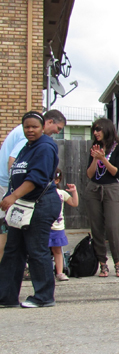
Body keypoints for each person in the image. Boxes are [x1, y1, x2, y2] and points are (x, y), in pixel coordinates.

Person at [0, 112, 62, 307]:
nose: (30, 130)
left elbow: (37, 179)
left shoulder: (44, 147)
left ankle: (44, 297)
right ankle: (6, 296)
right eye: (27, 127)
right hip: (23, 206)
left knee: (36, 250)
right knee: (13, 250)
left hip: (41, 204)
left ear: (42, 126)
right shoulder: (27, 147)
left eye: (34, 127)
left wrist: (13, 196)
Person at [85, 118, 119, 278]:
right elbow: (90, 174)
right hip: (94, 189)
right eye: (94, 130)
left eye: (98, 129)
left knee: (113, 227)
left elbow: (117, 172)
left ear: (107, 129)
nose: (96, 133)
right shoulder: (94, 148)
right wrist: (96, 159)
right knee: (96, 228)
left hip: (111, 189)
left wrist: (104, 158)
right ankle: (102, 264)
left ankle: (118, 262)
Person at [50, 169, 79, 281]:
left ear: (57, 181)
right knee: (42, 251)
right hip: (44, 226)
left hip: (57, 227)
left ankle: (59, 272)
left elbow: (74, 203)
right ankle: (46, 272)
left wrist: (74, 191)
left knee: (57, 250)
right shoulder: (40, 193)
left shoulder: (61, 193)